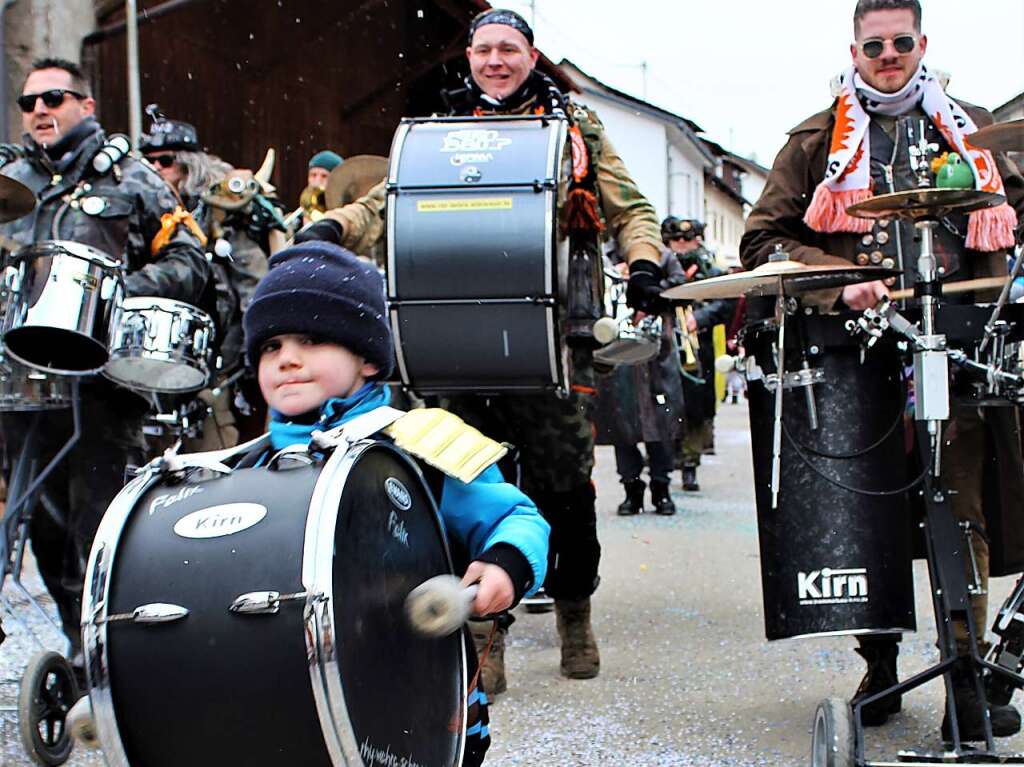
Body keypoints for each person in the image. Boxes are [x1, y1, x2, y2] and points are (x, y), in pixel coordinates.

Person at [295, 8, 664, 689]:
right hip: (452, 338)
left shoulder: (573, 129)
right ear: (468, 56)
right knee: (460, 481)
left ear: (531, 55)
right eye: (484, 49)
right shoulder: (439, 134)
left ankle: (574, 608)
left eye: (510, 49)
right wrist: (332, 227)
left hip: (552, 338)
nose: (496, 60)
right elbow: (386, 201)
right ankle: (480, 624)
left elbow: (629, 208)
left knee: (562, 488)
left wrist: (642, 258)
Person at [740, 0, 1024, 741]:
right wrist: (837, 279)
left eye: (901, 42)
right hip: (857, 356)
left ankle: (967, 672)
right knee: (871, 518)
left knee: (962, 509)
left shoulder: (974, 126)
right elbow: (761, 240)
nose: (888, 54)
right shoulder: (813, 140)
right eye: (875, 44)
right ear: (855, 48)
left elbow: (1017, 216)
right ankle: (881, 662)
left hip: (954, 350)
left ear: (922, 42)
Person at [241, 241, 549, 767]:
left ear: (366, 359)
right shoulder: (246, 470)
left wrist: (504, 566)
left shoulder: (418, 445)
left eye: (311, 339)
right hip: (296, 706)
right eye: (271, 346)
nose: (287, 358)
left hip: (419, 701)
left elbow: (515, 517)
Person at [0, 58, 209, 673]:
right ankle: (78, 647)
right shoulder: (11, 180)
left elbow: (190, 260)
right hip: (22, 379)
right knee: (40, 523)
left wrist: (112, 295)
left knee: (98, 525)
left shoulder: (132, 177)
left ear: (85, 106)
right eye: (28, 101)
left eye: (54, 98)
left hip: (101, 382)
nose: (39, 110)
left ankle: (114, 655)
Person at [140, 107, 273, 448]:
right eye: (148, 159)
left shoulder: (220, 211)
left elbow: (254, 284)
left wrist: (252, 349)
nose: (155, 167)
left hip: (209, 357)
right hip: (143, 352)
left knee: (210, 455)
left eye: (165, 160)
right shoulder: (138, 206)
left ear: (188, 164)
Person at [595, 252, 686, 516]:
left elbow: (680, 283)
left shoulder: (661, 255)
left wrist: (651, 291)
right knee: (621, 425)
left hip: (656, 353)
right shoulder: (607, 254)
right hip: (616, 351)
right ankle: (631, 488)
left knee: (661, 424)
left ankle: (662, 488)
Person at [664, 217, 734, 492]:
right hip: (667, 344)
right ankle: (668, 460)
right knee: (666, 403)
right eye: (676, 241)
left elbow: (724, 304)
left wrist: (700, 318)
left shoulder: (710, 270)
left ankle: (690, 464)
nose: (681, 246)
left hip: (698, 348)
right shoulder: (661, 266)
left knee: (695, 407)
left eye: (687, 240)